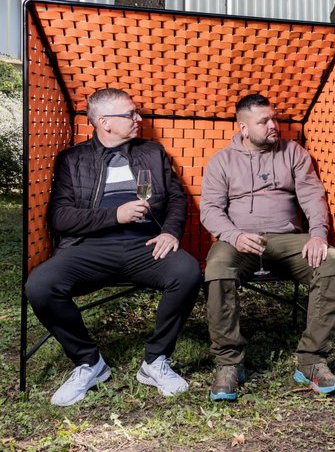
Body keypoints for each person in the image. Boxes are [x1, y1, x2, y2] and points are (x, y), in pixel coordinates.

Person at [25, 88, 203, 407]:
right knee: (40, 285)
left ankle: (155, 360)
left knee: (187, 272)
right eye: (131, 114)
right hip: (89, 247)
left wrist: (171, 233)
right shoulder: (73, 159)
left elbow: (177, 198)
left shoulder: (152, 153)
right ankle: (88, 362)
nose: (139, 118)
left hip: (145, 243)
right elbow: (60, 216)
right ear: (105, 122)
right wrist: (114, 214)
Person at [201, 93, 335, 400]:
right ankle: (229, 364)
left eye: (275, 118)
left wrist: (319, 235)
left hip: (287, 239)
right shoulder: (222, 161)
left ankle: (312, 361)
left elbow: (312, 197)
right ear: (243, 128)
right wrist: (233, 235)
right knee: (217, 268)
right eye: (264, 121)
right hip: (239, 240)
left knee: (333, 265)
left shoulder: (293, 152)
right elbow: (211, 211)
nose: (274, 125)